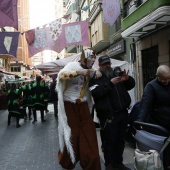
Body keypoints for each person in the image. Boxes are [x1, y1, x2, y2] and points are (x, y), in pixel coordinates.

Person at [56, 49, 101, 170]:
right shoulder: (72, 65)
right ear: (84, 57)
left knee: (89, 132)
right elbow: (60, 75)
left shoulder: (91, 69)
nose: (93, 60)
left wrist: (96, 72)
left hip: (83, 104)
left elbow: (94, 75)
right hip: (69, 103)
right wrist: (78, 72)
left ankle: (91, 163)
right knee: (73, 134)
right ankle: (67, 160)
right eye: (91, 57)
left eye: (94, 58)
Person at [89, 55, 135, 170]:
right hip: (108, 117)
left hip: (122, 113)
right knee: (109, 142)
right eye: (104, 64)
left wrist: (127, 79)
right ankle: (109, 165)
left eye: (108, 63)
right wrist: (111, 83)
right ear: (99, 65)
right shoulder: (95, 78)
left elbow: (130, 86)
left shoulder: (116, 74)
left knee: (120, 141)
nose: (107, 66)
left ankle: (118, 163)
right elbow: (96, 93)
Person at [137, 65, 170, 169]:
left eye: (168, 78)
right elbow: (145, 105)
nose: (166, 81)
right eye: (163, 79)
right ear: (157, 76)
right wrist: (140, 122)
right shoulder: (151, 86)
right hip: (159, 125)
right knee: (164, 152)